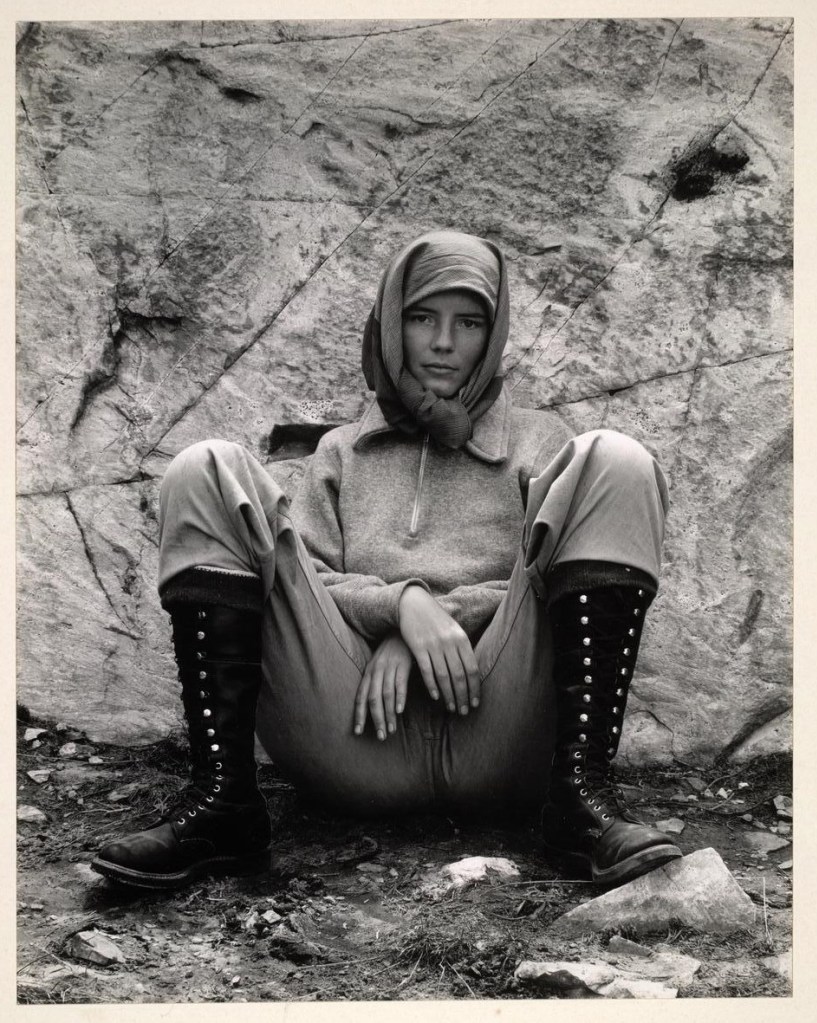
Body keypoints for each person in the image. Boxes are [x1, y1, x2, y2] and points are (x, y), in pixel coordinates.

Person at [91, 230, 682, 891]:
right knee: (205, 467)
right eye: (422, 317)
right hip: (352, 735)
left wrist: (432, 619)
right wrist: (400, 606)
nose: (443, 342)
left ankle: (579, 800)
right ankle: (222, 803)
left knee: (616, 459)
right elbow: (310, 582)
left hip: (503, 732)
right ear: (391, 323)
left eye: (469, 322)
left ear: (493, 334)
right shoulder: (341, 452)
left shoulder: (540, 442)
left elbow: (539, 585)